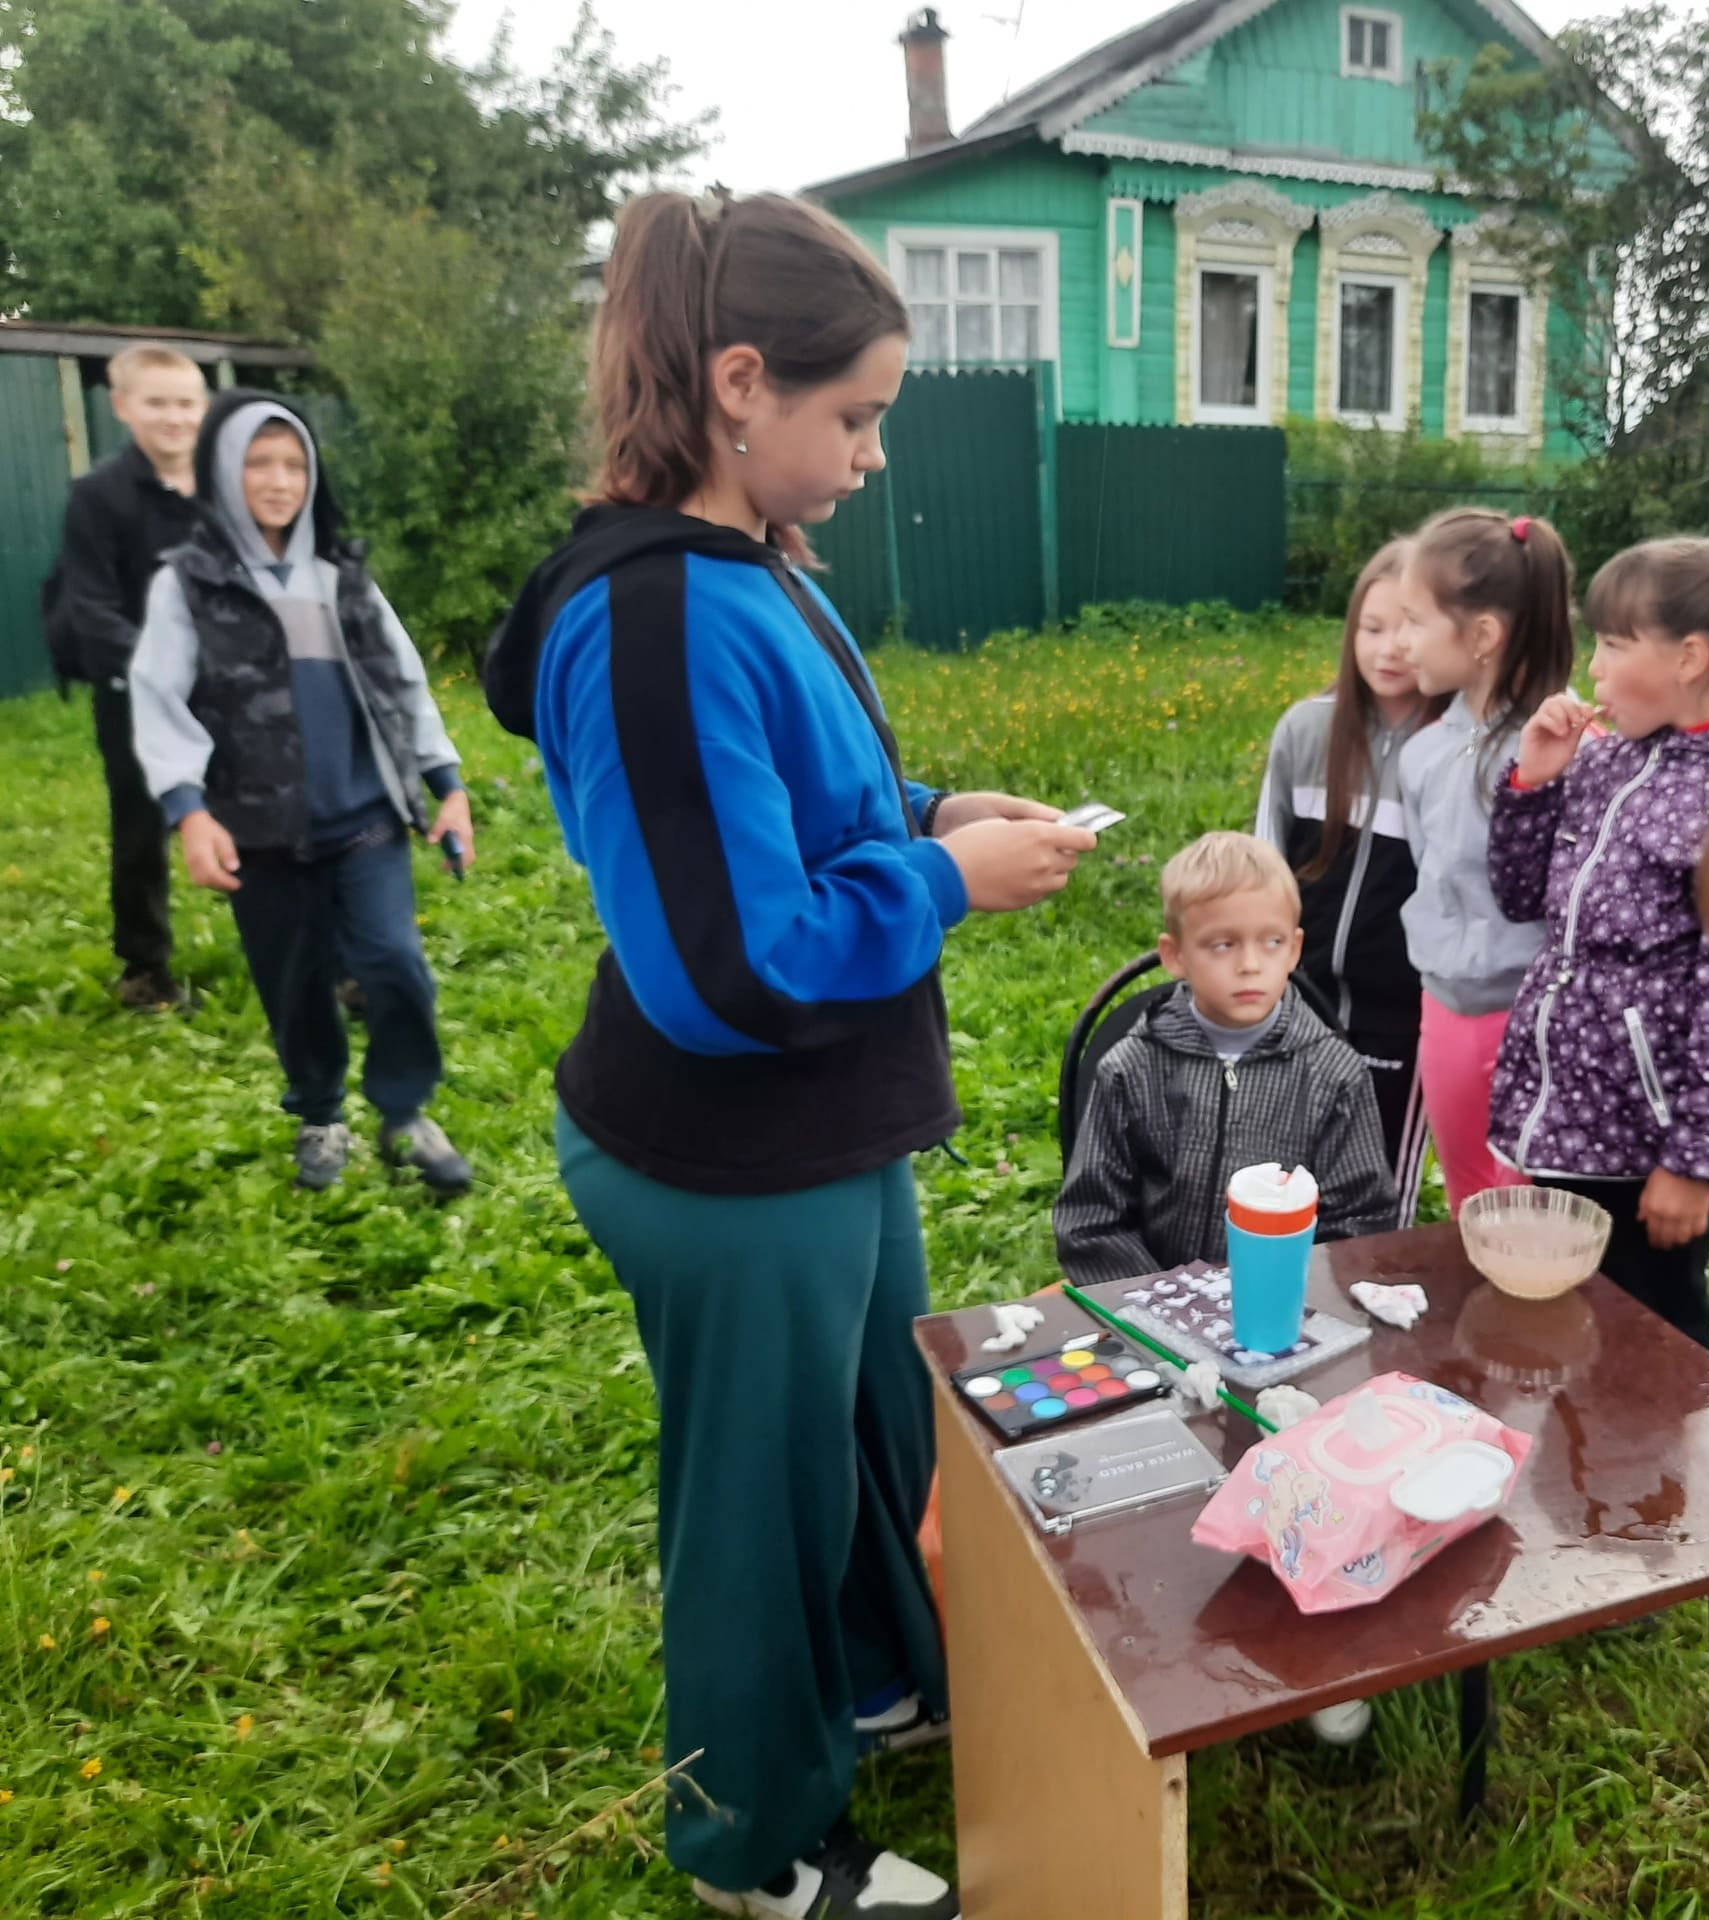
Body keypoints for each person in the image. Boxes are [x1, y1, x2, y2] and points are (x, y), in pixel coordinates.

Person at [482, 191, 1094, 1920]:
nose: (876, 455)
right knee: (753, 1501)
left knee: (872, 1423)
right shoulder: (656, 615)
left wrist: (928, 814)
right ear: (740, 384)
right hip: (725, 1153)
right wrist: (946, 883)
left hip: (823, 1128)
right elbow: (731, 966)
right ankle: (753, 1844)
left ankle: (882, 1686)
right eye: (859, 417)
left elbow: (795, 820)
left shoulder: (751, 576)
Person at [127, 392, 476, 1196]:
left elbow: (404, 684)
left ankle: (404, 1112)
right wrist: (190, 811)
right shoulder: (190, 587)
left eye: (294, 463)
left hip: (366, 824)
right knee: (296, 984)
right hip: (262, 833)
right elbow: (158, 698)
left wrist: (447, 785)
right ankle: (321, 1114)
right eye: (259, 462)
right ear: (224, 471)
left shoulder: (342, 580)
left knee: (395, 964)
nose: (279, 480)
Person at [1484, 539, 1709, 1350]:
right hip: (1562, 1118)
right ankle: (1572, 1469)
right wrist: (1534, 781)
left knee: (1650, 1344)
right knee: (1560, 1328)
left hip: (1645, 1148)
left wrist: (1695, 1162)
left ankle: (1658, 1480)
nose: (1591, 668)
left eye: (1613, 644)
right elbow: (1527, 899)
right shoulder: (1605, 763)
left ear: (1691, 657)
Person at [1054, 831, 1397, 1288]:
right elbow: (1089, 1220)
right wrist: (1160, 1298)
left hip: (1285, 1308)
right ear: (1175, 956)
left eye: (1271, 942)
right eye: (1223, 945)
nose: (1250, 964)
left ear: (1294, 949)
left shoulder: (1335, 1074)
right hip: (1154, 1316)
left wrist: (1293, 1290)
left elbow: (1361, 1220)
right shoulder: (1131, 1067)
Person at [1253, 537, 1445, 1221]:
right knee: (1280, 1173)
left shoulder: (1456, 747)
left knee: (1374, 1195)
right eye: (1372, 627)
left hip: (1405, 1020)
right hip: (1298, 1007)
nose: (1389, 647)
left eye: (1410, 627)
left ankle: (1372, 1310)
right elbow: (1264, 862)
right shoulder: (1306, 730)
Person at [1393, 508, 1576, 1211]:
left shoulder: (1559, 751)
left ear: (1482, 637)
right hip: (1442, 1010)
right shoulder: (1424, 751)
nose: (1402, 642)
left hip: (1532, 1019)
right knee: (1470, 1201)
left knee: (1529, 1211)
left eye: (1416, 620)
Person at [42, 344, 207, 1010]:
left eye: (186, 403)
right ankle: (145, 971)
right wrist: (160, 675)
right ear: (122, 407)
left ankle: (325, 961)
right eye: (157, 402)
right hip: (132, 693)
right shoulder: (97, 496)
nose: (174, 417)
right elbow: (89, 605)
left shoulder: (227, 486)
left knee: (276, 819)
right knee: (141, 827)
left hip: (227, 688)